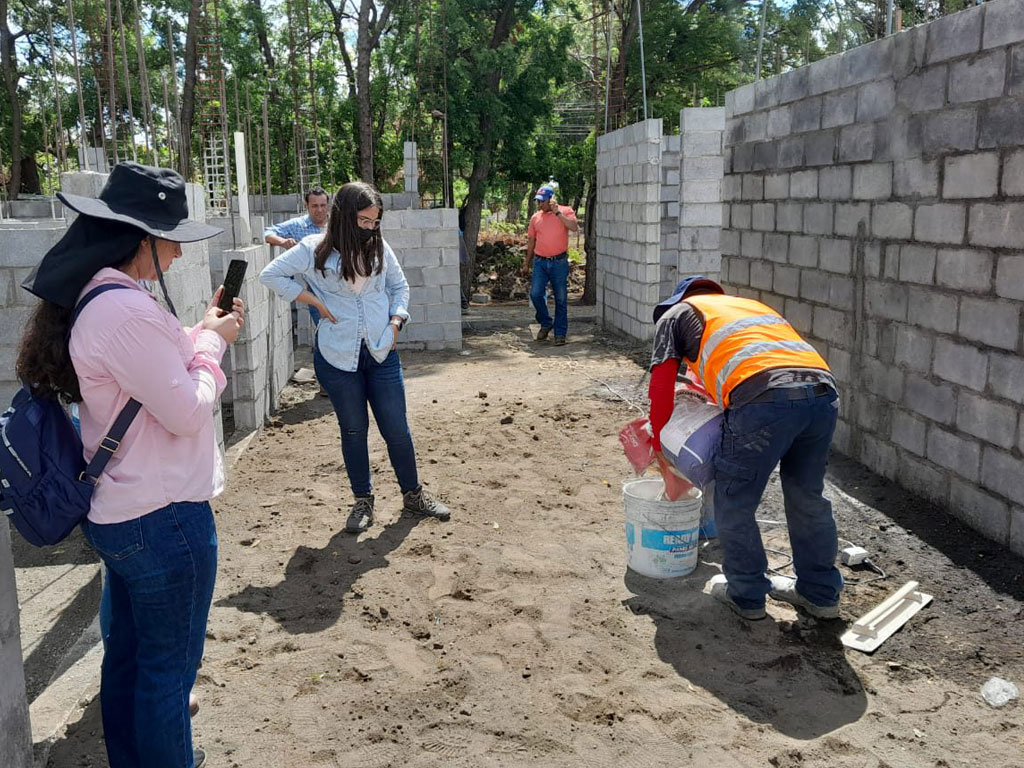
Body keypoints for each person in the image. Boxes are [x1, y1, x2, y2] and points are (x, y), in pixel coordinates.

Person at [17, 161, 243, 768]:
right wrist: (214, 343)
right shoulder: (127, 312)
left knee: (129, 661)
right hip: (163, 516)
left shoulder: (102, 297)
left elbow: (149, 373)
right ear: (141, 238)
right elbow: (187, 411)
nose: (177, 253)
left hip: (125, 510)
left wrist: (200, 332)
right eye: (171, 240)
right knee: (169, 676)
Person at [260, 181, 451, 533]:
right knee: (353, 429)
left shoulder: (379, 246)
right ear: (345, 217)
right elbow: (270, 274)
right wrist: (312, 300)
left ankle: (413, 495)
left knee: (396, 428)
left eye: (375, 221)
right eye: (364, 221)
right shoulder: (313, 249)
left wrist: (396, 321)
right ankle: (363, 501)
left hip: (381, 351)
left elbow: (399, 286)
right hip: (337, 357)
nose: (370, 228)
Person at [648, 276, 842, 622]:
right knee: (807, 497)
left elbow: (661, 387)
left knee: (734, 498)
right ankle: (820, 595)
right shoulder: (748, 309)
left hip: (763, 397)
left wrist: (658, 442)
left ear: (679, 300)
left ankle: (747, 594)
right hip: (823, 394)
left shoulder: (677, 314)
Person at [522, 184, 578, 346]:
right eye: (538, 201)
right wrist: (526, 263)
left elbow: (574, 227)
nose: (539, 204)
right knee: (535, 294)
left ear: (551, 200)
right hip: (540, 262)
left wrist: (557, 213)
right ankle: (546, 322)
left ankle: (560, 334)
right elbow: (531, 241)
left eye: (542, 201)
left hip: (559, 262)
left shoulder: (565, 211)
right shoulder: (536, 218)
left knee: (561, 298)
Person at [264, 187, 329, 325]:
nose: (319, 210)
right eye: (314, 206)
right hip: (315, 289)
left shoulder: (337, 225)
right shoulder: (298, 225)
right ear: (306, 206)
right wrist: (283, 242)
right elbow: (268, 233)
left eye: (323, 205)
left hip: (340, 288)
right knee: (324, 328)